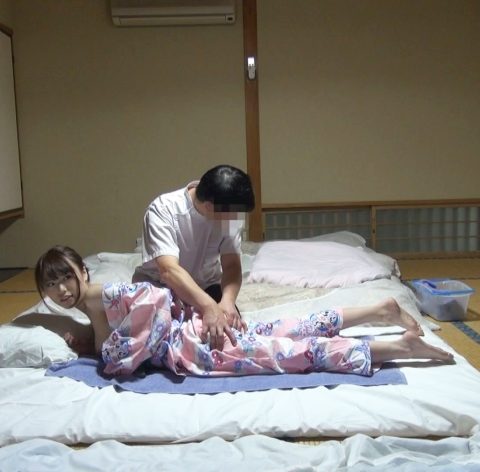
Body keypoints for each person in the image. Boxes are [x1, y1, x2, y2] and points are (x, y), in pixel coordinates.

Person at [33, 245, 454, 378]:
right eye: (51, 284)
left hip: (196, 345)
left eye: (66, 277)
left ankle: (399, 347)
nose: (61, 289)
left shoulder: (101, 293)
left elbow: (155, 302)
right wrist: (90, 342)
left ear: (83, 271)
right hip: (195, 333)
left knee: (289, 354)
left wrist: (112, 353)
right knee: (288, 329)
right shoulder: (90, 305)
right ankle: (378, 311)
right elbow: (120, 330)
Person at [132, 164, 255, 351]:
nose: (235, 218)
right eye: (232, 214)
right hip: (160, 286)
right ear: (209, 206)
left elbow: (231, 265)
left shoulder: (228, 214)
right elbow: (168, 270)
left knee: (230, 338)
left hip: (206, 285)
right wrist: (208, 306)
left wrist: (227, 301)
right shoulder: (164, 209)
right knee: (159, 342)